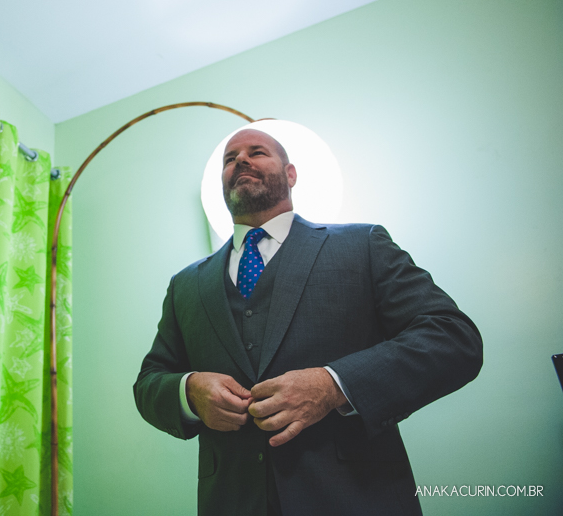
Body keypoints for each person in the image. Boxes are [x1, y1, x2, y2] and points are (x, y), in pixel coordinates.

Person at [133, 128, 483, 516]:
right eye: (230, 159)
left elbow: (452, 337)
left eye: (257, 152)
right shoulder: (185, 285)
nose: (241, 161)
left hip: (359, 499)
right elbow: (150, 380)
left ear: (291, 174)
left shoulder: (362, 244)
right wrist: (189, 391)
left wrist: (334, 384)